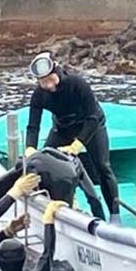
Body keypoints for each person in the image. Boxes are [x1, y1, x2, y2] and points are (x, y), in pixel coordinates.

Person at [24, 52, 121, 224]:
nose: (48, 85)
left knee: (102, 167)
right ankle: (55, 205)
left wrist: (77, 146)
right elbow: (33, 126)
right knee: (44, 163)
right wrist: (30, 148)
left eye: (50, 79)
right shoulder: (39, 95)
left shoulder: (77, 84)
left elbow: (93, 117)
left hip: (91, 125)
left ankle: (115, 215)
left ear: (57, 70)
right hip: (62, 128)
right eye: (43, 82)